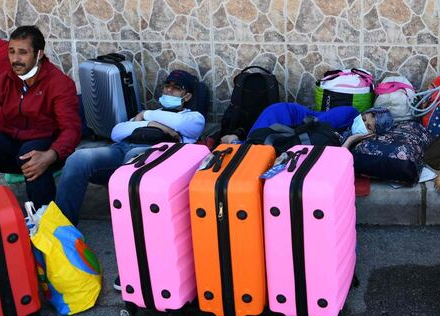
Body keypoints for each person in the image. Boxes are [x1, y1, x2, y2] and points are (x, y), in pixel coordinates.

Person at [0, 26, 81, 208]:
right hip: (11, 143)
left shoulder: (59, 84)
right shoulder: (6, 79)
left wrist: (52, 154)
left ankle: (44, 223)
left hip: (44, 146)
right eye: (11, 52)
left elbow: (72, 129)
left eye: (22, 53)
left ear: (39, 54)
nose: (15, 59)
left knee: (31, 157)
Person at [56, 69, 205, 225]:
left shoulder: (193, 117)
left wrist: (145, 115)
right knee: (78, 158)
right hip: (120, 149)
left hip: (153, 158)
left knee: (133, 157)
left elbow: (180, 124)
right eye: (167, 85)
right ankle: (62, 227)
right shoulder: (153, 114)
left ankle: (129, 229)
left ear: (187, 96)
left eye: (176, 88)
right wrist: (151, 123)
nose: (169, 89)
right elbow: (116, 132)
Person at [220, 102, 360, 144]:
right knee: (256, 147)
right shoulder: (350, 113)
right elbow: (312, 126)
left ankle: (236, 141)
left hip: (291, 125)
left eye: (369, 126)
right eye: (366, 119)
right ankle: (235, 141)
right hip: (285, 115)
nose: (365, 124)